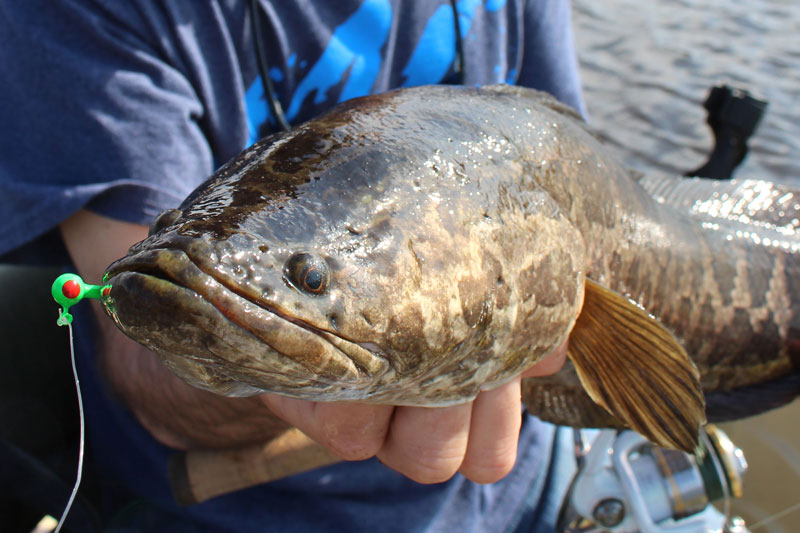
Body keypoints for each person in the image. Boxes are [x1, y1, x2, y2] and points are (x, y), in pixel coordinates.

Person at [0, 1, 586, 530]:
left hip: (533, 481)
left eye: (308, 278)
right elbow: (149, 366)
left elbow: (573, 170)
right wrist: (284, 367)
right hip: (229, 514)